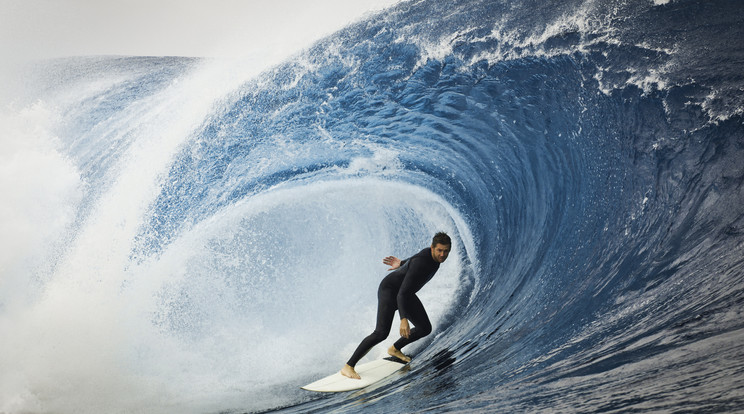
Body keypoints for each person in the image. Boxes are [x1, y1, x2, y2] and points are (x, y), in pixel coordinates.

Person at [340, 232, 452, 380]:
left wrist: (401, 263)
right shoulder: (422, 262)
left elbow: (412, 260)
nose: (442, 254)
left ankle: (395, 349)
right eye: (439, 250)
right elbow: (401, 294)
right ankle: (348, 366)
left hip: (406, 293)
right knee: (381, 333)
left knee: (424, 328)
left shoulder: (430, 256)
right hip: (390, 291)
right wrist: (403, 319)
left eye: (446, 251)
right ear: (432, 248)